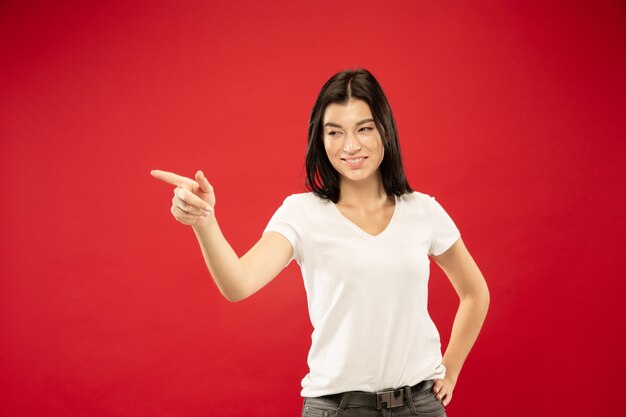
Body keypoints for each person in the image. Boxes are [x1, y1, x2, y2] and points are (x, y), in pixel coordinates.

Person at [151, 68, 490, 417]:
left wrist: (451, 369)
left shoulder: (422, 211)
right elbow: (239, 283)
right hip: (338, 409)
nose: (350, 146)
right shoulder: (302, 213)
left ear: (385, 130)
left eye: (364, 129)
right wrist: (205, 223)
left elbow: (475, 292)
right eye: (335, 132)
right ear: (320, 138)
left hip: (419, 406)